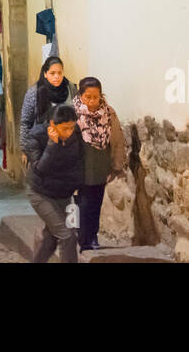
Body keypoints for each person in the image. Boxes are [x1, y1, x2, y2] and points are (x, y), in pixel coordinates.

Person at [25, 104, 85, 263]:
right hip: (40, 193)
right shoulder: (36, 136)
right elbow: (39, 168)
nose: (69, 132)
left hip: (64, 194)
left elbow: (80, 161)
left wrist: (78, 186)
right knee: (67, 236)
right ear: (52, 124)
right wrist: (53, 144)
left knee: (51, 239)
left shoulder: (76, 133)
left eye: (72, 127)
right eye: (64, 128)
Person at [73, 76, 127, 252]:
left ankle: (92, 235)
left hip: (100, 165)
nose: (91, 101)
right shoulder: (73, 113)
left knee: (96, 201)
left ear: (100, 96)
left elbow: (117, 140)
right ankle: (82, 237)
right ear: (80, 95)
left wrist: (117, 165)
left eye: (95, 97)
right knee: (82, 202)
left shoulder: (108, 113)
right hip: (79, 165)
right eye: (87, 96)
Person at [20, 55, 76, 167]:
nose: (57, 77)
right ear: (45, 74)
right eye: (52, 73)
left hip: (67, 147)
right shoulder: (34, 93)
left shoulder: (71, 89)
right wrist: (25, 150)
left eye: (60, 73)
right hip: (42, 147)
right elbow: (26, 122)